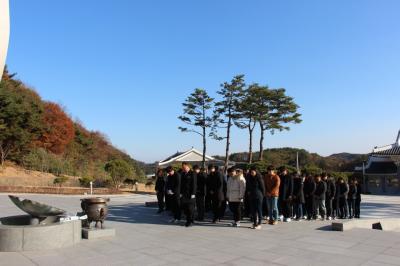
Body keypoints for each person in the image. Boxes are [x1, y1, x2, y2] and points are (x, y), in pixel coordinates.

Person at [180, 162, 197, 227]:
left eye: (184, 167)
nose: (183, 168)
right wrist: (181, 193)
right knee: (185, 209)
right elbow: (182, 184)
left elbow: (194, 184)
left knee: (190, 209)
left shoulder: (193, 173)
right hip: (184, 194)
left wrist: (193, 193)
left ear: (187, 166)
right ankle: (191, 219)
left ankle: (189, 221)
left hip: (190, 194)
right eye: (182, 167)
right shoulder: (183, 174)